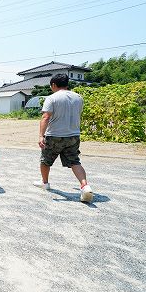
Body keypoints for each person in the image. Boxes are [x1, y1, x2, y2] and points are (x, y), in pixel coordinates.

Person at [33, 74, 93, 202]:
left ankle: (45, 182)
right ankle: (84, 185)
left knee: (45, 160)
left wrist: (40, 136)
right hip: (73, 135)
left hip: (54, 135)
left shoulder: (52, 98)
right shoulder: (78, 97)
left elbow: (46, 117)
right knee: (74, 161)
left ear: (54, 85)